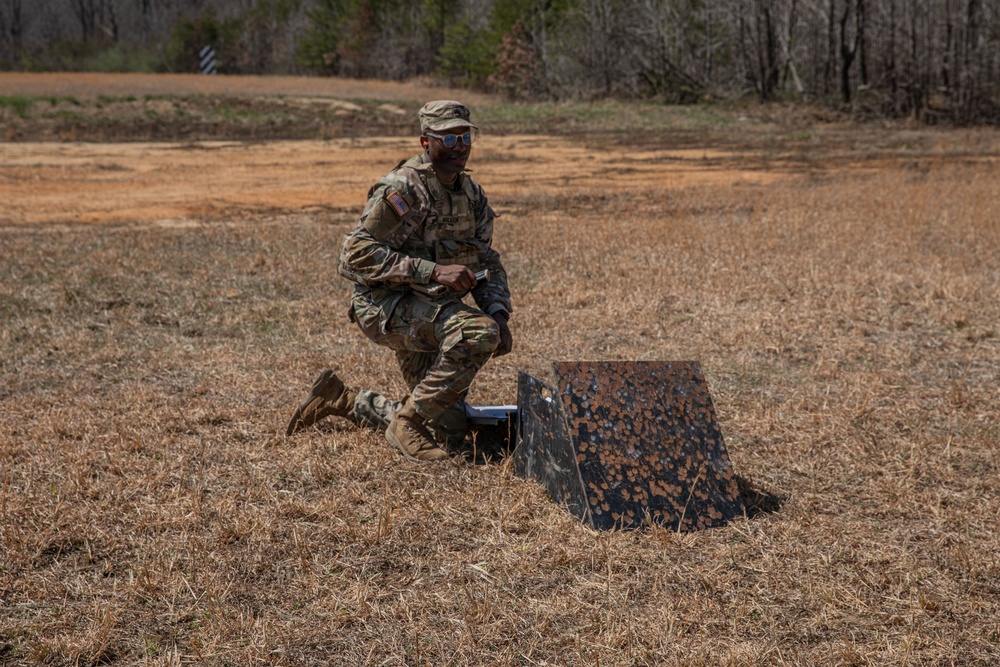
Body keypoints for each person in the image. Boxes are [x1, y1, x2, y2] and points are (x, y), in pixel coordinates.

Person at [285, 100, 513, 462]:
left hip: (432, 310)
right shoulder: (405, 189)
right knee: (477, 332)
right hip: (384, 307)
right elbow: (353, 254)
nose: (460, 148)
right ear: (426, 142)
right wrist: (433, 271)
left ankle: (341, 399)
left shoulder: (471, 196)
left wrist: (499, 313)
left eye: (465, 137)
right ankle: (407, 421)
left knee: (451, 432)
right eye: (448, 139)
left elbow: (486, 260)